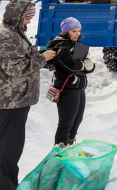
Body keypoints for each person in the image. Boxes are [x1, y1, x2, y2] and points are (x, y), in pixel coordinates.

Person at [0, 0, 56, 190]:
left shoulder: (15, 32)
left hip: (17, 98)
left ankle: (8, 185)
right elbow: (14, 68)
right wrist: (42, 59)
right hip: (9, 100)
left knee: (12, 148)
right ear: (17, 16)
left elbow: (22, 56)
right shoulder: (6, 36)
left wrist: (39, 54)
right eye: (26, 18)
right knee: (8, 149)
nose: (28, 22)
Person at [46, 17, 95, 146]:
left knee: (77, 121)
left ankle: (69, 146)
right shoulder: (60, 46)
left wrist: (88, 65)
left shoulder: (77, 46)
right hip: (67, 89)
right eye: (74, 31)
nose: (77, 34)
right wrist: (85, 65)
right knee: (66, 123)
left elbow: (86, 66)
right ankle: (59, 153)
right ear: (66, 32)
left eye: (79, 31)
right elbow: (69, 66)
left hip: (79, 88)